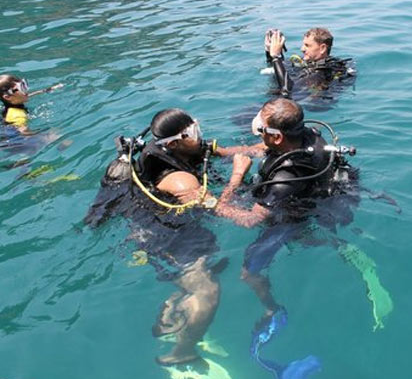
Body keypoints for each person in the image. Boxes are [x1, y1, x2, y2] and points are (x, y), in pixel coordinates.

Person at [216, 98, 376, 378]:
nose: (259, 135)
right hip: (321, 194)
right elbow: (264, 148)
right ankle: (333, 243)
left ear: (277, 137)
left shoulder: (283, 180)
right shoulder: (308, 134)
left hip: (294, 214)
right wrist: (225, 152)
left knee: (247, 273)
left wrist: (234, 179)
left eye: (262, 130)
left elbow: (250, 220)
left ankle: (273, 311)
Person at [85, 108, 249, 366]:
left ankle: (173, 316)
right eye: (193, 131)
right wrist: (238, 175)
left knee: (200, 276)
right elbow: (237, 217)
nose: (199, 133)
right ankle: (181, 352)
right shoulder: (181, 182)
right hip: (167, 237)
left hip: (165, 225)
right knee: (207, 289)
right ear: (174, 142)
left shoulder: (174, 147)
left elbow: (228, 152)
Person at [263, 27, 355, 109]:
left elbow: (287, 90)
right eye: (303, 44)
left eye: (307, 45)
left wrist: (276, 56)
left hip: (302, 106)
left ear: (322, 48)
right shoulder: (308, 63)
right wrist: (269, 51)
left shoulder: (322, 72)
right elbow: (279, 70)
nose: (302, 49)